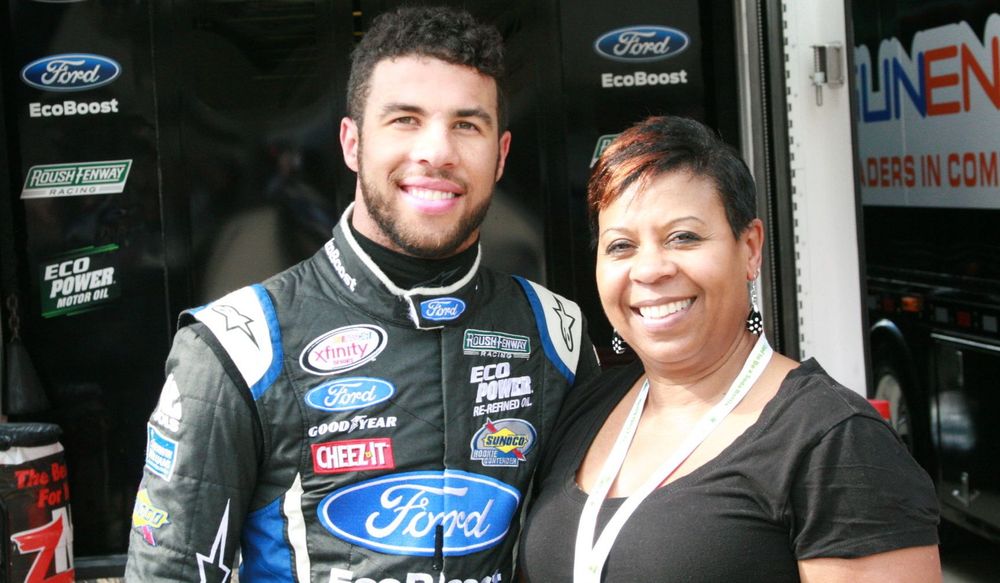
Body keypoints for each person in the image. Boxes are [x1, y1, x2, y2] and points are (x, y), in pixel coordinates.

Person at [125, 6, 599, 582]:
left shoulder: (556, 335)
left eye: (466, 125)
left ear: (499, 156)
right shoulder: (237, 347)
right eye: (405, 120)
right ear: (352, 143)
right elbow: (168, 572)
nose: (436, 152)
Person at [517, 116, 941, 582]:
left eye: (684, 237)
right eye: (621, 246)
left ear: (750, 248)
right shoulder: (587, 407)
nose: (650, 270)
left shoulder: (834, 441)